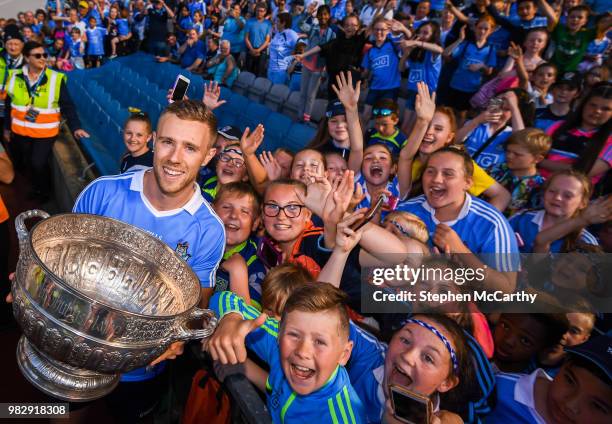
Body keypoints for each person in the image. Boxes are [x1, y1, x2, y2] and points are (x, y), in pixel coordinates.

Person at [72, 99, 225, 421]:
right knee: (62, 411)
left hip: (141, 367)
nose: (174, 158)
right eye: (168, 142)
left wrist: (178, 337)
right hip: (77, 345)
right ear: (154, 140)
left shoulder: (209, 229)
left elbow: (197, 301)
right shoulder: (103, 192)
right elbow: (64, 259)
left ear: (209, 155)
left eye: (190, 148)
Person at [207, 284, 366, 423]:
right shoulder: (279, 344)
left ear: (344, 354)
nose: (303, 352)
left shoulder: (341, 418)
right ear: (279, 334)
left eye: (320, 342)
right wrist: (230, 320)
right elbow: (223, 298)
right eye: (294, 335)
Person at [397, 146, 519, 293]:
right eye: (430, 171)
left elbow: (506, 288)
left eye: (448, 174)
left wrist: (461, 251)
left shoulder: (492, 223)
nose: (436, 179)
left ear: (467, 183)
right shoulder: (406, 211)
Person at [3, 40, 89, 202]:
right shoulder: (14, 76)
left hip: (45, 133)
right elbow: (9, 105)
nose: (42, 58)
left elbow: (68, 106)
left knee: (38, 162)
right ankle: (37, 188)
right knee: (28, 163)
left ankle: (44, 192)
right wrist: (7, 128)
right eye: (37, 55)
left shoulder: (56, 78)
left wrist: (76, 127)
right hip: (20, 131)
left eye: (44, 55)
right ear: (27, 58)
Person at [487, 334, 612, 424]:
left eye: (597, 406)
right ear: (563, 364)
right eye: (570, 380)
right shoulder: (494, 389)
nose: (570, 405)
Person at [510, 169, 600, 253]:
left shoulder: (585, 240)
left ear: (583, 203)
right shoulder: (521, 218)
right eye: (552, 191)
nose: (557, 198)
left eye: (567, 196)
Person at [542, 82, 611, 184]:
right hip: (536, 186)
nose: (597, 111)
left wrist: (538, 162)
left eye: (606, 109)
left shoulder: (610, 140)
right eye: (592, 105)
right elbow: (536, 151)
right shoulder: (558, 126)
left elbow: (581, 172)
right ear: (583, 105)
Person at [212, 182, 266, 308]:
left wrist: (238, 273)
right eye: (226, 207)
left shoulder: (255, 264)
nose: (234, 215)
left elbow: (248, 319)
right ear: (212, 211)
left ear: (255, 223)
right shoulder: (196, 241)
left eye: (244, 212)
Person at [487, 128, 551, 217]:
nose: (509, 156)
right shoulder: (495, 169)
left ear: (537, 159)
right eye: (508, 151)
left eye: (517, 154)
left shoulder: (540, 187)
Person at [492, 313, 568, 373]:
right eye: (505, 326)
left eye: (525, 340)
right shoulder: (481, 351)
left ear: (544, 348)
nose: (508, 341)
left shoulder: (531, 388)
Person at [298, 4, 335, 122]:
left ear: (329, 16)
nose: (323, 17)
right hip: (307, 65)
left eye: (325, 14)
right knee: (303, 93)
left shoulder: (332, 34)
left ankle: (306, 119)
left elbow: (330, 54)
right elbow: (300, 25)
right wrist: (307, 14)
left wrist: (325, 70)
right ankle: (299, 117)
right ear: (317, 16)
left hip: (319, 69)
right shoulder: (313, 28)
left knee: (310, 96)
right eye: (320, 14)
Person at [0, 25, 24, 132]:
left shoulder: (29, 61)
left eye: (16, 44)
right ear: (4, 44)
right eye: (9, 44)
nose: (13, 47)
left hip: (16, 113)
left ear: (22, 45)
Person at [244, 2, 272, 77]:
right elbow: (246, 38)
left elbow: (267, 40)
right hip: (250, 50)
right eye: (257, 10)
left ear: (265, 12)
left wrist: (258, 50)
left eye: (261, 11)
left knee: (259, 73)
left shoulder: (268, 24)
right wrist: (252, 50)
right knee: (248, 73)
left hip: (262, 52)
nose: (259, 13)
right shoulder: (249, 21)